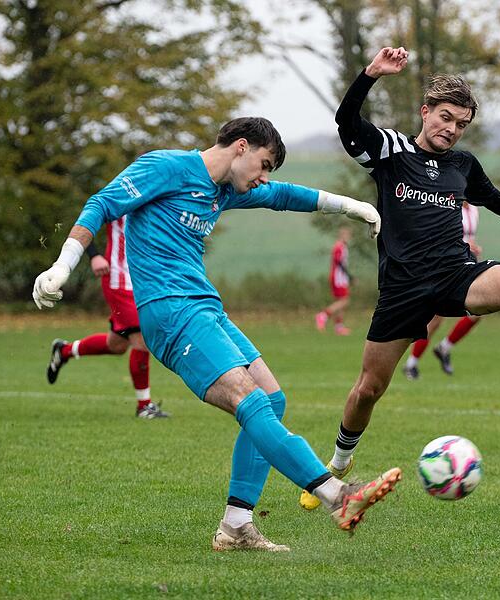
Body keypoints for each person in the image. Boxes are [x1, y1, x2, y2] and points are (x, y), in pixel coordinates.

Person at [32, 117, 401, 551]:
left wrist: (349, 206)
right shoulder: (166, 167)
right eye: (263, 164)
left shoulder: (224, 189)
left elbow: (282, 196)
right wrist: (63, 264)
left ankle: (236, 525)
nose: (263, 177)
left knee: (272, 399)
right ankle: (337, 496)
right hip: (170, 313)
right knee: (251, 402)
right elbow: (101, 203)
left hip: (205, 308)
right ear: (241, 147)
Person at [298, 47, 500, 510]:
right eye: (445, 117)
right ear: (426, 111)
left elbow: (487, 192)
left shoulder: (462, 164)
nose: (451, 129)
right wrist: (370, 74)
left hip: (456, 274)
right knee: (368, 389)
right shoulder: (391, 150)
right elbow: (346, 122)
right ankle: (337, 465)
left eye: (461, 124)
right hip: (402, 290)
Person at [46, 216, 169, 419]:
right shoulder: (122, 190)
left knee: (117, 345)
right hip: (118, 281)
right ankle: (144, 406)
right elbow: (87, 220)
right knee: (142, 338)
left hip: (142, 282)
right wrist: (94, 255)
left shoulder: (155, 192)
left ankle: (65, 350)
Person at [402, 201, 482, 379]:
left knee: (477, 312)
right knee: (435, 319)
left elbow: (469, 238)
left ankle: (444, 348)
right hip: (447, 266)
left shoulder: (475, 210)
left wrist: (473, 248)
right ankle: (411, 364)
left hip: (467, 264)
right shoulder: (449, 206)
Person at [316, 226, 353, 335]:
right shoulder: (339, 246)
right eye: (347, 235)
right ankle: (323, 315)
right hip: (339, 279)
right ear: (342, 235)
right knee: (344, 301)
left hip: (341, 278)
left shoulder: (343, 246)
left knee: (340, 302)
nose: (349, 237)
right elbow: (338, 262)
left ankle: (339, 327)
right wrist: (349, 276)